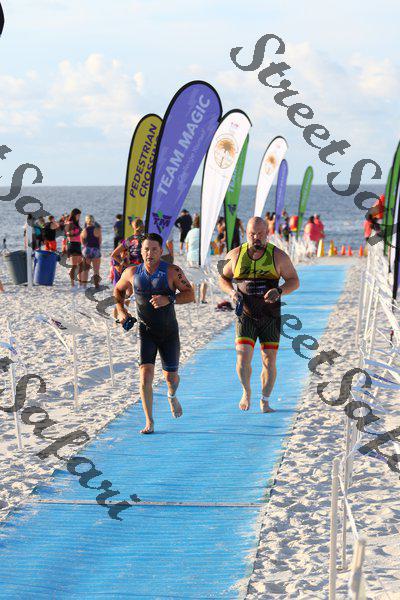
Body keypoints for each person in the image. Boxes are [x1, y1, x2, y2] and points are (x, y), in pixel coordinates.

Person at [114, 233, 195, 434]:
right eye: (146, 249)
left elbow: (190, 294)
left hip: (169, 333)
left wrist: (170, 299)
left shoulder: (172, 271)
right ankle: (149, 422)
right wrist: (122, 311)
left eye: (154, 249)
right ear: (141, 252)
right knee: (145, 377)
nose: (149, 253)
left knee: (171, 378)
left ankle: (171, 395)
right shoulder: (132, 272)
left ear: (161, 251)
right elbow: (118, 291)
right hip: (146, 332)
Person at [219, 217, 299, 413]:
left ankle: (265, 399)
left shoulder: (278, 256)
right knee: (242, 358)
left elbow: (294, 281)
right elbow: (222, 278)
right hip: (245, 315)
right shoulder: (234, 255)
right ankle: (246, 391)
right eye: (252, 234)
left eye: (260, 234)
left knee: (269, 360)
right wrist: (231, 292)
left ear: (267, 233)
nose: (256, 237)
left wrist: (279, 290)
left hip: (270, 316)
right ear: (246, 234)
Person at [185, 215, 208, 303]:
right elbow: (213, 244)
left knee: (193, 279)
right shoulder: (205, 232)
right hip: (204, 257)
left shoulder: (191, 232)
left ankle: (193, 299)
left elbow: (187, 246)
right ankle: (203, 299)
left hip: (191, 257)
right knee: (205, 279)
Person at [81, 215, 102, 288]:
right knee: (96, 270)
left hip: (87, 250)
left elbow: (82, 243)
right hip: (95, 250)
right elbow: (100, 242)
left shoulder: (84, 230)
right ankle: (96, 285)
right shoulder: (98, 230)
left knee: (85, 270)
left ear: (86, 221)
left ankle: (84, 285)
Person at [65, 208, 83, 287]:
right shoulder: (70, 223)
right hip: (72, 244)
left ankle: (80, 283)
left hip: (78, 244)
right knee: (74, 266)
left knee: (80, 265)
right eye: (78, 215)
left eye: (79, 215)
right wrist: (79, 232)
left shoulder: (76, 223)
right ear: (74, 215)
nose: (79, 217)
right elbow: (69, 235)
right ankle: (72, 284)